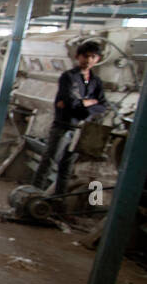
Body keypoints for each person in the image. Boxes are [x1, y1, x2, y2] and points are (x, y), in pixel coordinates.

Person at [30, 40, 108, 196]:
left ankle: (59, 201)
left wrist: (82, 105)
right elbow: (69, 101)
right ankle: (32, 196)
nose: (89, 60)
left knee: (67, 167)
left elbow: (103, 105)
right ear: (78, 57)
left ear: (98, 59)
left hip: (80, 130)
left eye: (93, 57)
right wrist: (89, 103)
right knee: (49, 161)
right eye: (85, 56)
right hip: (63, 126)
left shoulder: (96, 81)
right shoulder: (69, 77)